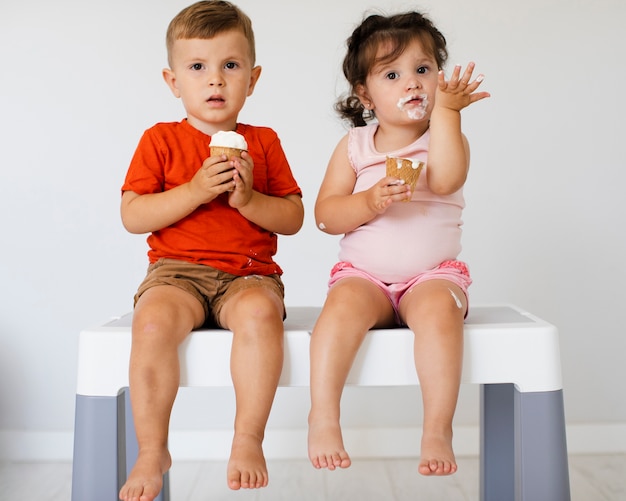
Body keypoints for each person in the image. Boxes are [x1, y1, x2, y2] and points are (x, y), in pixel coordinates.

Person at [118, 1, 304, 499]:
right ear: (173, 80)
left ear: (253, 77)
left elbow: (293, 217)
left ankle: (247, 438)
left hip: (248, 274)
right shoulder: (160, 140)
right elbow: (133, 216)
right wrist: (197, 190)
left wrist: (248, 199)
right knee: (153, 323)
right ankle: (152, 447)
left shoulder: (262, 142)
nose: (215, 80)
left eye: (230, 65)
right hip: (175, 273)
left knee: (262, 315)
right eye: (197, 67)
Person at [307, 11, 489, 476]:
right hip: (363, 278)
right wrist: (368, 202)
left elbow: (447, 180)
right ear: (365, 94)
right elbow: (325, 216)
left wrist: (449, 113)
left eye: (423, 70)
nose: (413, 83)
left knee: (438, 313)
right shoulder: (356, 147)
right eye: (393, 74)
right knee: (339, 311)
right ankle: (324, 416)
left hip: (431, 277)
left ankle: (436, 428)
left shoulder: (444, 136)